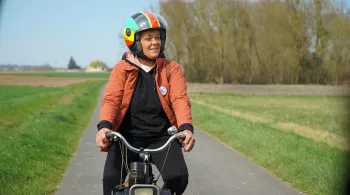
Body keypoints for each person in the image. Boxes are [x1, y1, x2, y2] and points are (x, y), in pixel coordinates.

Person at [95, 11, 195, 195]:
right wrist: (104, 127)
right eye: (148, 38)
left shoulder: (172, 69)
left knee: (178, 177)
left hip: (162, 137)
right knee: (110, 183)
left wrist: (186, 127)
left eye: (158, 37)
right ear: (135, 41)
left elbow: (180, 99)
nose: (155, 42)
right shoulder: (122, 69)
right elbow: (112, 99)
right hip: (126, 137)